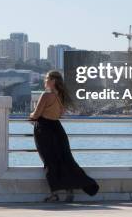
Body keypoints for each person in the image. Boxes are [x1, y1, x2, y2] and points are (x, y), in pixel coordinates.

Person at [29, 70, 99, 202]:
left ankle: (54, 194)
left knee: (49, 160)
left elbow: (36, 114)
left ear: (53, 81)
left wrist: (31, 115)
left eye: (47, 79)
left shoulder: (46, 95)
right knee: (65, 159)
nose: (45, 81)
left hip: (45, 130)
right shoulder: (61, 96)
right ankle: (74, 188)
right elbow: (59, 114)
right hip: (58, 129)